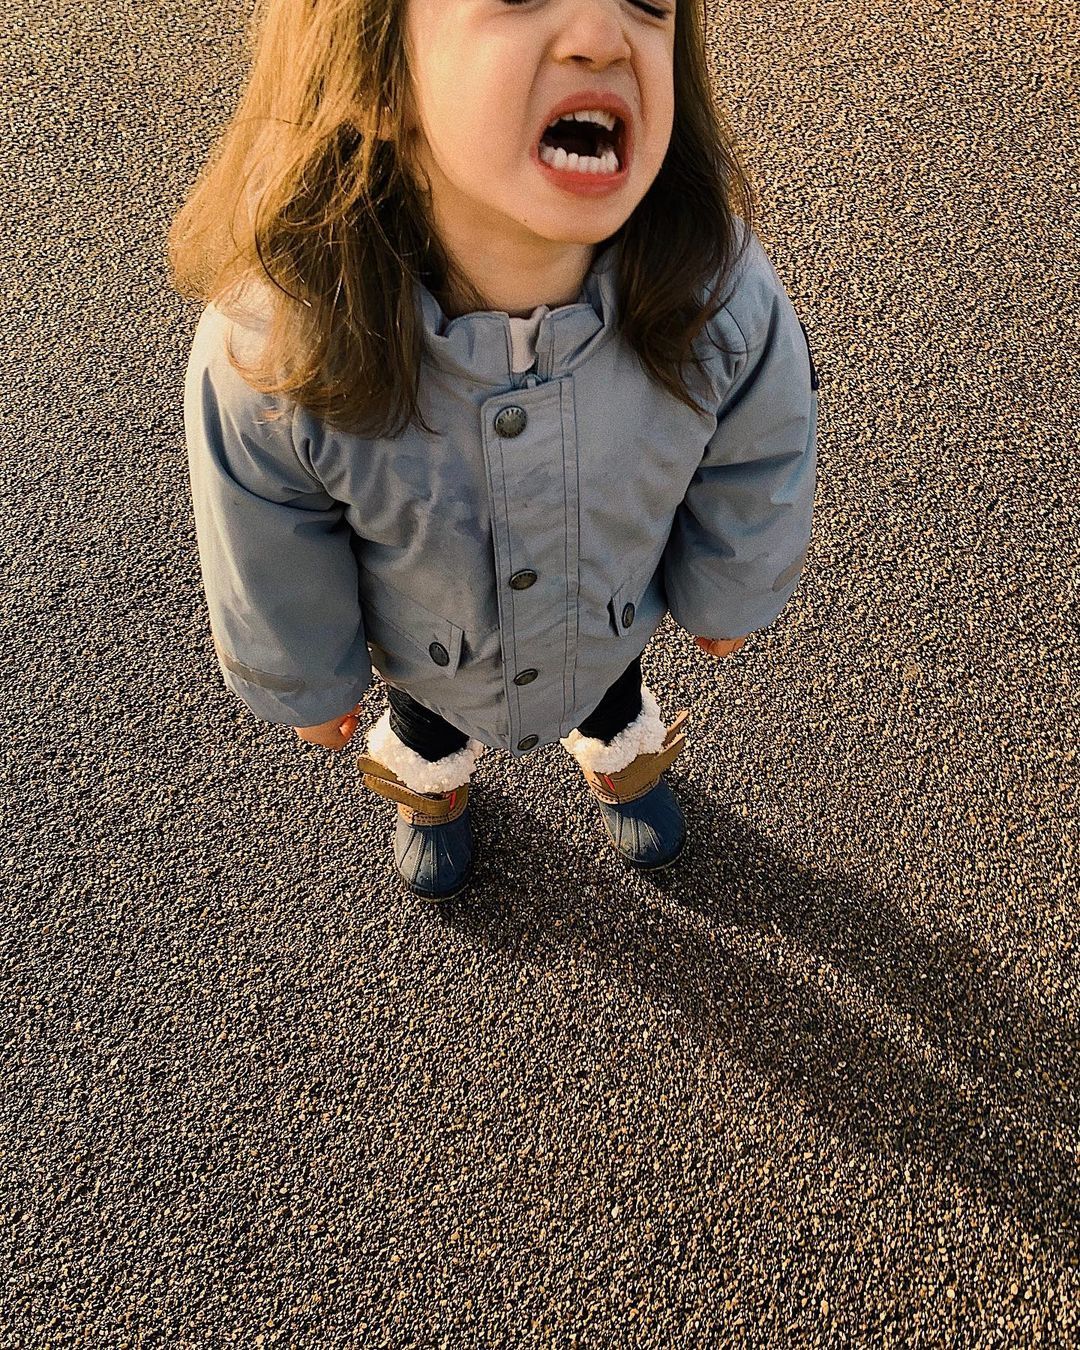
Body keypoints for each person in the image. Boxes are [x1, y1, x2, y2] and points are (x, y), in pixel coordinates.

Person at [170, 0, 818, 901]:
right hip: (432, 653)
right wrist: (306, 678)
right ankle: (431, 786)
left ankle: (619, 753)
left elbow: (759, 454)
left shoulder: (716, 295)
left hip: (608, 620)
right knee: (431, 724)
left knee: (610, 690)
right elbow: (263, 535)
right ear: (378, 74)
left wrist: (733, 588)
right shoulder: (278, 350)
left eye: (649, 3)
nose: (601, 33)